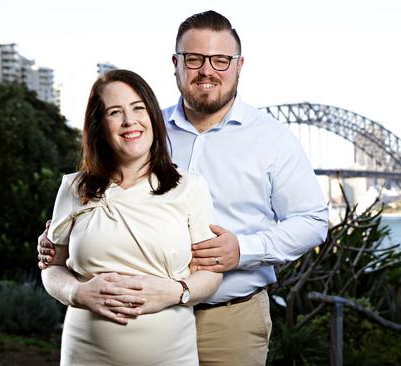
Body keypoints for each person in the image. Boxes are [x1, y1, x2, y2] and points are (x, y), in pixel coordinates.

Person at [39, 10, 328, 365]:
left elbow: (313, 220)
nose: (207, 71)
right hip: (132, 323)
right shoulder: (143, 128)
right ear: (176, 64)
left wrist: (245, 249)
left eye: (221, 59)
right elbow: (96, 196)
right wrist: (63, 238)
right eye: (194, 59)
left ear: (239, 65)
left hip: (228, 317)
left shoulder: (273, 139)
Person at [41, 69, 222, 365]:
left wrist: (176, 292)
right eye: (115, 112)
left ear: (152, 116)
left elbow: (211, 273)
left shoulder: (190, 188)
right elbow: (51, 268)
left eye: (138, 108)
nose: (129, 121)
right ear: (99, 126)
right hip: (86, 355)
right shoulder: (73, 188)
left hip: (171, 356)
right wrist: (77, 292)